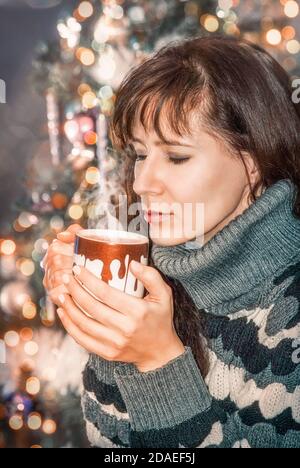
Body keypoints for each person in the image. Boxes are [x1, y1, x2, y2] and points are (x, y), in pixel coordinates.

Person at [43, 35, 300, 448]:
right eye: (141, 155)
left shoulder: (290, 318)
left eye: (177, 157)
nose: (142, 183)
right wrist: (107, 318)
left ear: (253, 163)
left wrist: (158, 361)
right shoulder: (155, 272)